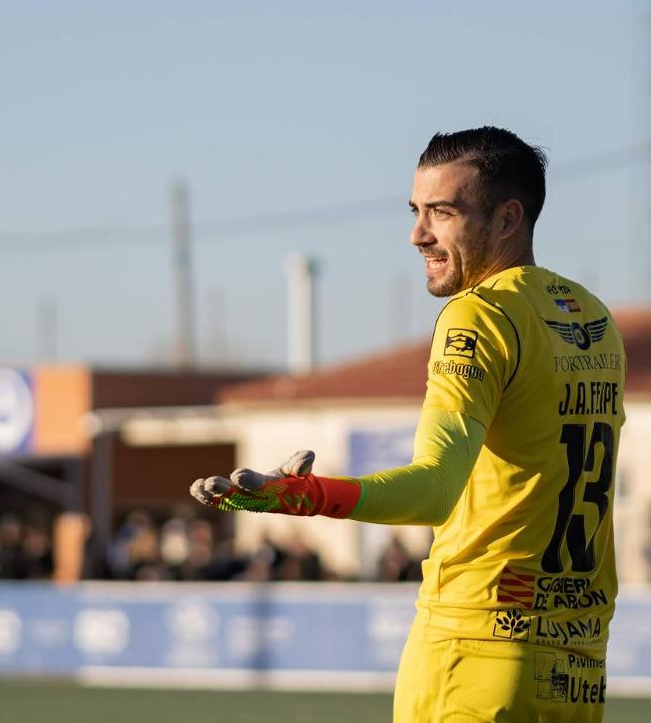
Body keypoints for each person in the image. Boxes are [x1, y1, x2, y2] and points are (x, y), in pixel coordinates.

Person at [191, 127, 625, 722]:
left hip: (475, 647)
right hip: (575, 664)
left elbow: (435, 489)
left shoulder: (478, 315)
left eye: (442, 213)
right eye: (416, 211)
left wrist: (303, 496)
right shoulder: (592, 316)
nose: (417, 234)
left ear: (507, 219)